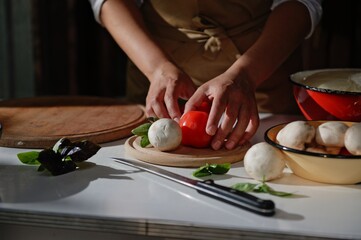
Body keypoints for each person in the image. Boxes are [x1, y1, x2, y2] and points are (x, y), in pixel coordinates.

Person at [89, 0, 322, 150]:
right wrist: (157, 68)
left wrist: (246, 75)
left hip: (261, 83)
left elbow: (302, 3)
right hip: (153, 79)